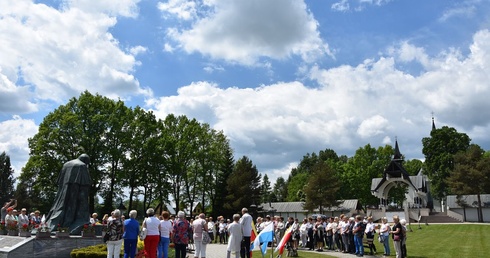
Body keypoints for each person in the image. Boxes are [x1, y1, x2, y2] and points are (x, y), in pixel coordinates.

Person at [46, 154, 91, 232]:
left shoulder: (66, 164)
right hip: (75, 188)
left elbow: (60, 181)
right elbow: (85, 184)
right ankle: (67, 225)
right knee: (72, 206)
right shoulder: (82, 165)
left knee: (60, 206)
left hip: (63, 190)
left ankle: (57, 225)